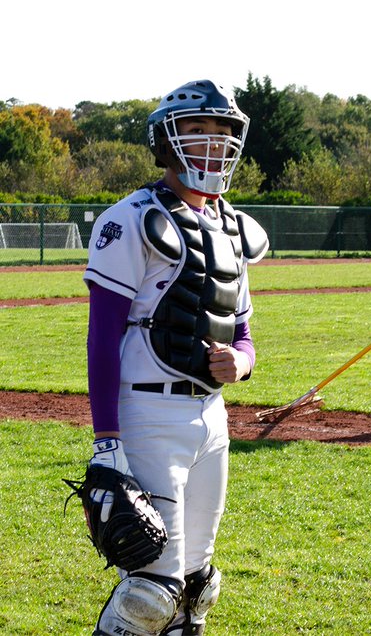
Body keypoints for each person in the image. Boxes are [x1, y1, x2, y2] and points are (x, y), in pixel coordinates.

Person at [82, 79, 268, 636]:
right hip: (147, 417)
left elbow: (243, 331)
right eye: (196, 130)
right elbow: (101, 337)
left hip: (211, 419)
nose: (211, 143)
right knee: (151, 592)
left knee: (195, 587)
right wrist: (107, 444)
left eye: (222, 132)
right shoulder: (132, 219)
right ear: (167, 140)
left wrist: (243, 362)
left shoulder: (231, 227)